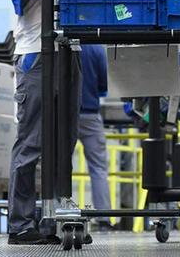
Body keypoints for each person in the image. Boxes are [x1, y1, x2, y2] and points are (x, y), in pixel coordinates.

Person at [3, 0, 97, 245]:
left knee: (63, 142)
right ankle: (20, 225)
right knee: (32, 143)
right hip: (35, 56)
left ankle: (55, 219)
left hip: (64, 50)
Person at [77, 44, 112, 228]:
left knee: (58, 167)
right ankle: (104, 217)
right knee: (98, 168)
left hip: (65, 114)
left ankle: (57, 211)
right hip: (90, 113)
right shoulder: (97, 48)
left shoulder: (61, 43)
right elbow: (104, 84)